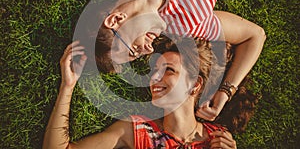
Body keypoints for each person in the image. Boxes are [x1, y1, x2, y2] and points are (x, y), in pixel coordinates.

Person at [91, 0, 266, 121]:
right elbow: (254, 36)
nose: (149, 48)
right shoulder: (185, 24)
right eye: (139, 54)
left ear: (115, 20)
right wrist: (225, 93)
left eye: (134, 48)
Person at [43, 37, 258, 148]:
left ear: (195, 85)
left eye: (168, 71)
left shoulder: (218, 139)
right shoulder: (135, 130)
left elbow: (254, 37)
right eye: (155, 71)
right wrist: (68, 87)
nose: (154, 79)